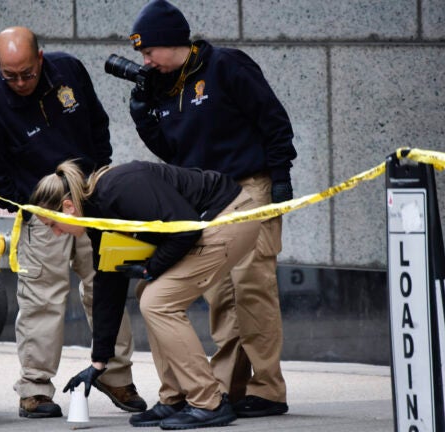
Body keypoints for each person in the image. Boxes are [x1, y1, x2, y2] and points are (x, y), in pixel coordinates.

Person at [125, 0, 297, 418]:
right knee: (221, 294)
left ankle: (268, 389)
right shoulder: (166, 86)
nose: (146, 62)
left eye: (149, 52)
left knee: (252, 288)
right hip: (207, 197)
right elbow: (172, 151)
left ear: (171, 42)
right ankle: (228, 389)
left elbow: (273, 119)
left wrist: (281, 174)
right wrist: (144, 116)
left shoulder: (226, 66)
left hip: (249, 185)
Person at [0, 26, 146, 418]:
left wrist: (98, 179)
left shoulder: (69, 71)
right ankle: (34, 388)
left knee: (106, 285)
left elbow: (98, 123)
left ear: (41, 58)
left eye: (27, 73)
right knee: (41, 299)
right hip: (42, 213)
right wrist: (38, 203)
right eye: (9, 74)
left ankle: (116, 375)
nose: (19, 82)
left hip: (91, 200)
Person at [32, 159, 262, 429]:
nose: (57, 234)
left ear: (68, 208)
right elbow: (108, 282)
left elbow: (185, 226)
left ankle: (208, 402)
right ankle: (174, 399)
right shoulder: (97, 215)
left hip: (230, 215)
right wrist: (98, 362)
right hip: (210, 220)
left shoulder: (120, 189)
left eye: (52, 225)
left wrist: (150, 268)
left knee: (158, 301)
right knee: (149, 295)